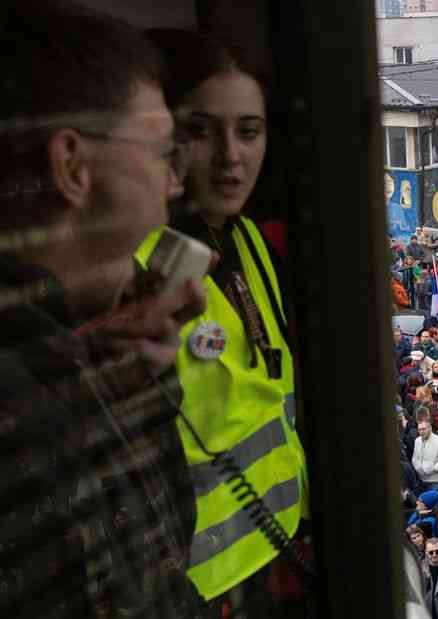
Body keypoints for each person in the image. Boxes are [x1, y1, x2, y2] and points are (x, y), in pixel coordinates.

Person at [0, 4, 206, 616]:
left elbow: (157, 569)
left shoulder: (77, 358)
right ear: (72, 166)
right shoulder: (24, 412)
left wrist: (134, 388)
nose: (175, 185)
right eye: (163, 153)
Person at [141, 28, 311, 604]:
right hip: (198, 587)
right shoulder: (139, 280)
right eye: (199, 130)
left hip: (279, 550)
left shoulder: (254, 243)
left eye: (248, 131)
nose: (230, 157)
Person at [415, 419, 438, 494]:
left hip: (435, 482)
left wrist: (434, 468)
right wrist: (418, 467)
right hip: (421, 480)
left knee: (434, 505)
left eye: (423, 429)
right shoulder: (417, 441)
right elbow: (415, 458)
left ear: (430, 428)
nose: (421, 432)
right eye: (419, 430)